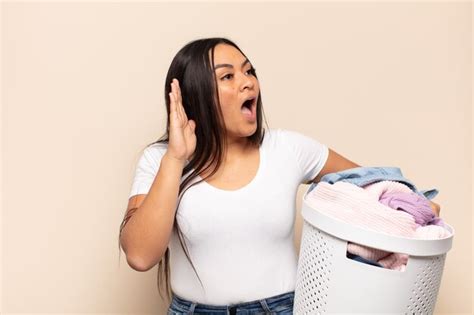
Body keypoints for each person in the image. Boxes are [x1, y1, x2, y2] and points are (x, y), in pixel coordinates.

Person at [118, 37, 441, 315]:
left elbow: (373, 185)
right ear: (195, 95)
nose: (247, 82)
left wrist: (413, 210)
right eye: (227, 76)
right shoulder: (160, 159)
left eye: (249, 71)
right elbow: (140, 255)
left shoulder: (288, 148)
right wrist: (176, 159)